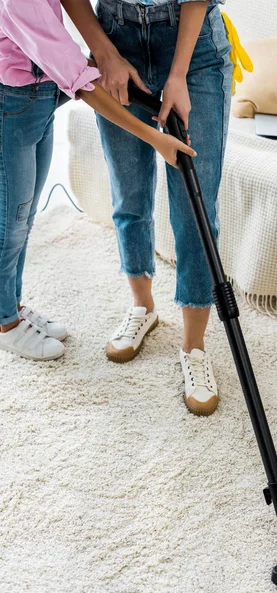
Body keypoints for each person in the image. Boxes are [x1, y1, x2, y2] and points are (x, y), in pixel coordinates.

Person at [0, 0, 195, 362]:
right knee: (8, 225)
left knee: (22, 220)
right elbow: (76, 78)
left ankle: (12, 304)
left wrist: (110, 65)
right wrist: (154, 137)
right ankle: (6, 323)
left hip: (39, 100)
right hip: (11, 106)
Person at [65, 0, 233, 416]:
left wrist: (177, 75)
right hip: (115, 36)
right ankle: (143, 306)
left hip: (194, 50)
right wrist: (104, 52)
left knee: (195, 210)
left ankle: (194, 347)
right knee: (129, 191)